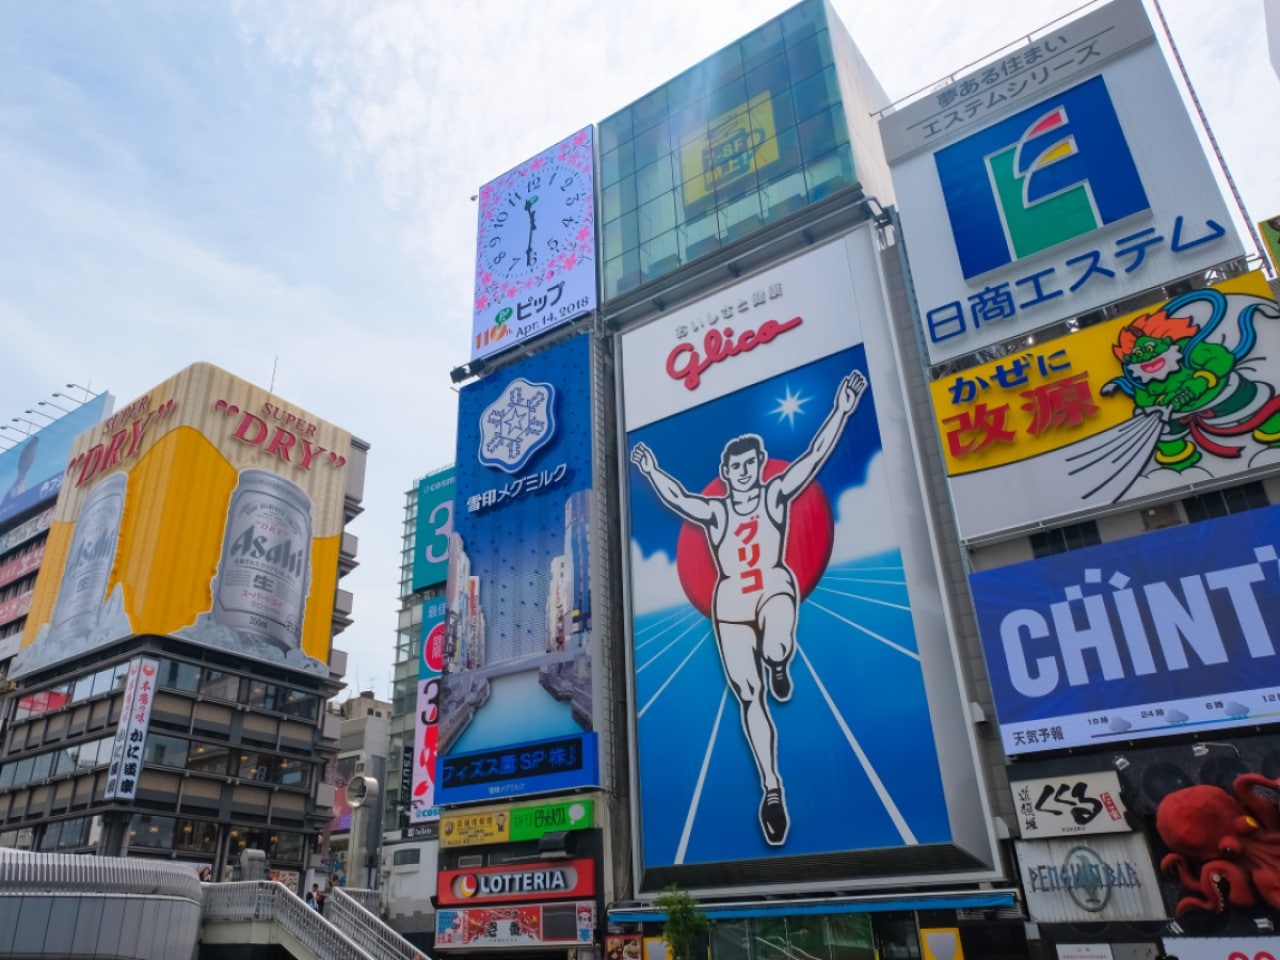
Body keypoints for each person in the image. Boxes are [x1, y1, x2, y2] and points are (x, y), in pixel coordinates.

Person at [630, 370, 866, 845]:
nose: (744, 471)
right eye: (735, 466)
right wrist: (651, 470)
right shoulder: (717, 513)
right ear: (726, 472)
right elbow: (679, 499)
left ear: (759, 465)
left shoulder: (776, 495)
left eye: (750, 463)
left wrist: (841, 408)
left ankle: (780, 660)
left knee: (777, 643)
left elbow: (814, 457)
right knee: (747, 693)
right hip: (731, 602)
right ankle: (772, 788)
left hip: (774, 586)